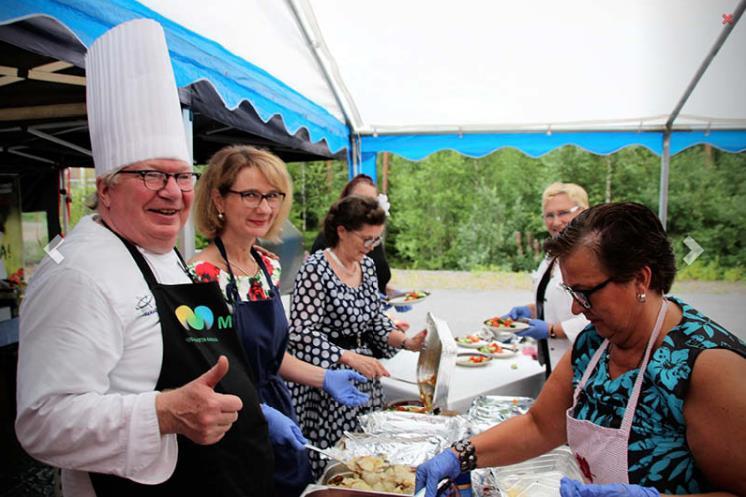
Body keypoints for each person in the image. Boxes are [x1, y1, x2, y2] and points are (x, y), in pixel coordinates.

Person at [14, 19, 295, 497]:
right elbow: (42, 422)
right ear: (104, 188)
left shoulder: (166, 256)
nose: (172, 193)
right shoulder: (80, 275)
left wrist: (253, 409)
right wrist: (162, 413)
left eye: (183, 177)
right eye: (150, 175)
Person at [416, 202, 746, 497]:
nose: (576, 309)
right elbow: (539, 425)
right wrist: (460, 455)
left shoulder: (708, 365)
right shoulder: (593, 343)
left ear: (640, 279)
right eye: (571, 292)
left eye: (586, 292)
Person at [188, 145, 370, 497]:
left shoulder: (268, 266)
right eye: (250, 195)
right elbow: (202, 374)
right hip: (228, 421)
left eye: (272, 195)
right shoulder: (200, 276)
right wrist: (257, 413)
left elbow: (270, 356)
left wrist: (324, 377)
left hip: (278, 409)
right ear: (219, 199)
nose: (265, 207)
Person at [288, 195, 427, 476]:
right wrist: (347, 357)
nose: (371, 247)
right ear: (341, 231)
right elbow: (302, 334)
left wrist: (406, 342)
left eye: (376, 240)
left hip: (364, 375)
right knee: (336, 459)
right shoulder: (316, 269)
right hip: (327, 381)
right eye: (366, 239)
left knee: (366, 458)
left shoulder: (367, 266)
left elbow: (375, 320)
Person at [505, 182, 590, 375]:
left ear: (584, 212)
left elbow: (602, 316)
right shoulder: (553, 255)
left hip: (582, 362)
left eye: (563, 213)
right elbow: (553, 299)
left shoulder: (594, 256)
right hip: (554, 363)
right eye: (549, 216)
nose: (555, 222)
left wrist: (552, 330)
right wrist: (530, 311)